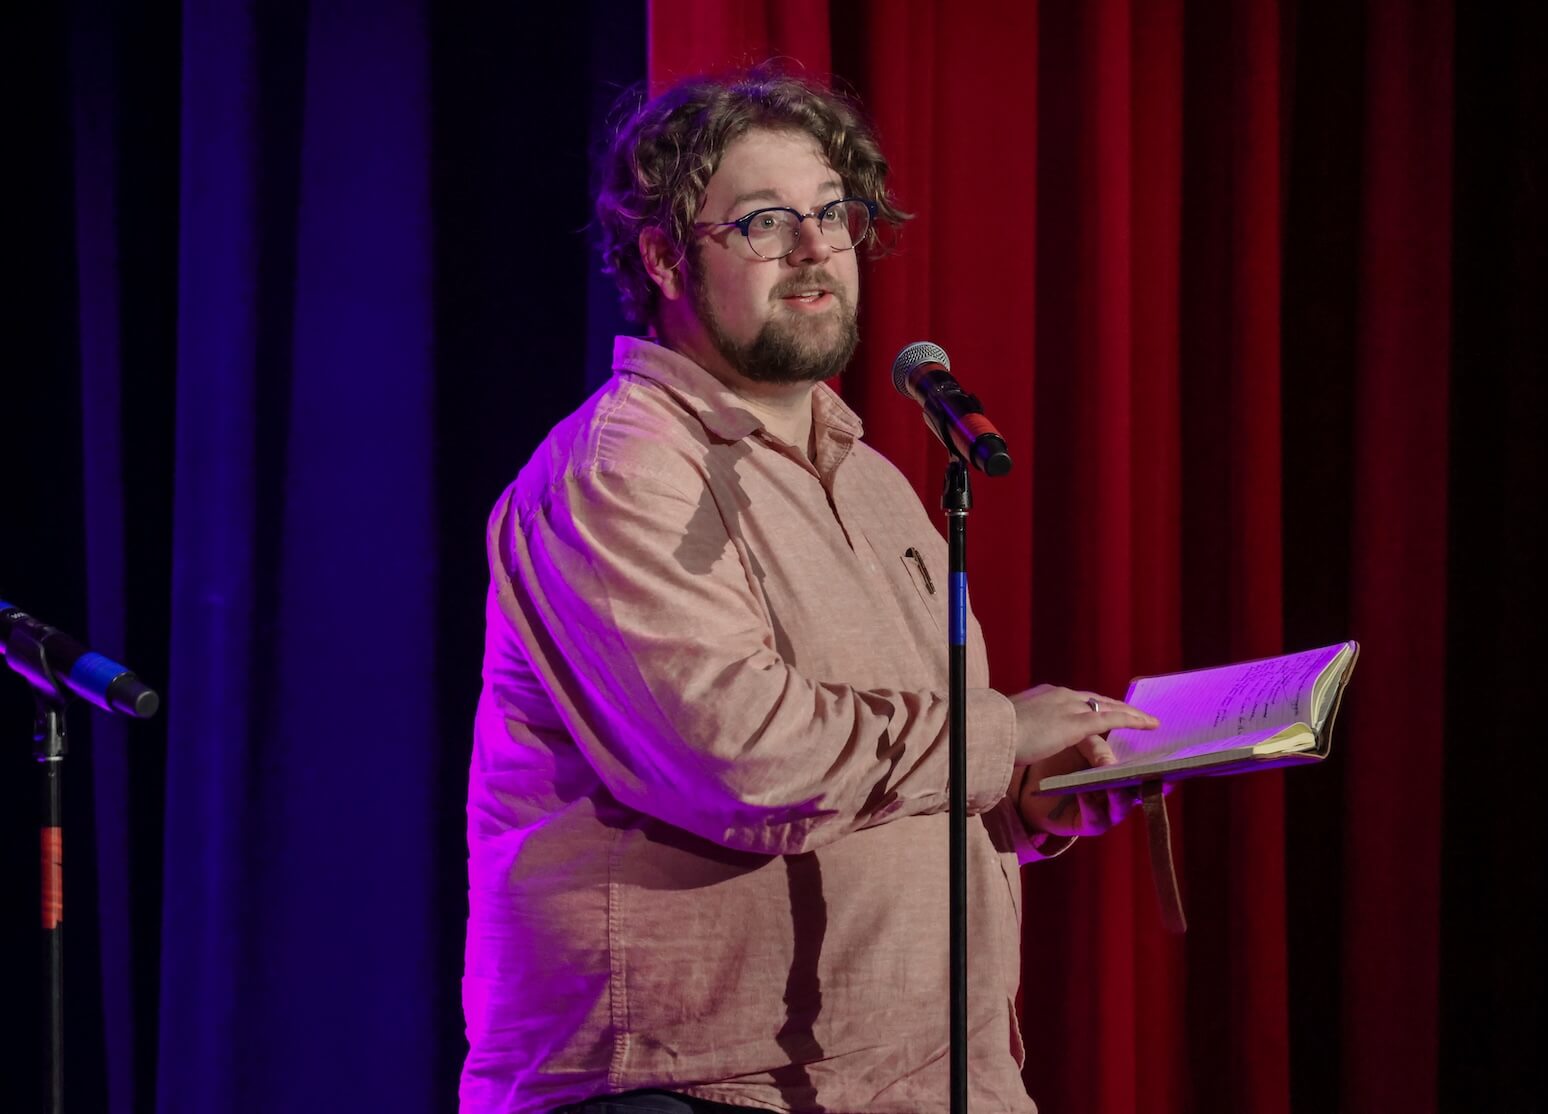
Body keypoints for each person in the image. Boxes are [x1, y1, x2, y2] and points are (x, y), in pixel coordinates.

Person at [461, 67, 1157, 1114]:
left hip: (917, 1083)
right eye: (762, 222)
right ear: (662, 255)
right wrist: (992, 738)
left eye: (833, 213)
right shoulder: (623, 470)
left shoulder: (876, 480)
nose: (814, 246)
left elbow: (897, 769)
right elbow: (740, 762)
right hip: (688, 1087)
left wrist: (1025, 797)